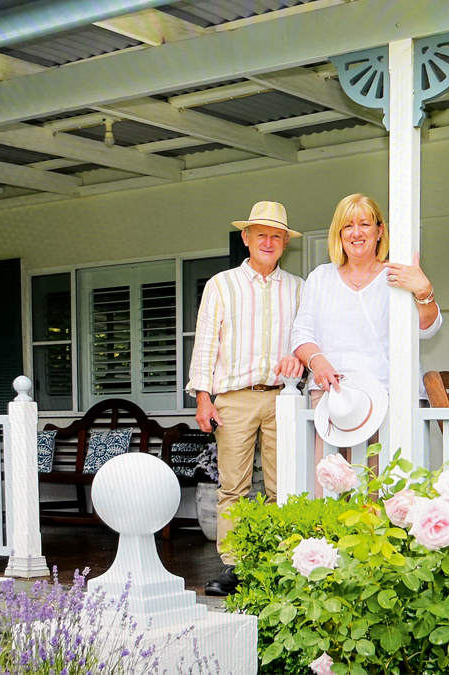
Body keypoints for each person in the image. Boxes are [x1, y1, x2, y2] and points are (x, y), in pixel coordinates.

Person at [187, 200, 304, 597]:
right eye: (261, 234)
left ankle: (278, 562)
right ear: (246, 238)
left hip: (283, 400)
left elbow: (307, 341)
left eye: (276, 235)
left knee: (282, 486)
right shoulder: (221, 285)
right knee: (233, 487)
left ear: (285, 242)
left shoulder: (298, 289)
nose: (268, 241)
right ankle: (235, 566)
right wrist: (204, 398)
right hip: (234, 398)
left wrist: (300, 360)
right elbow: (205, 344)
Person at [290, 194, 442, 468]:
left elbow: (427, 329)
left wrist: (423, 290)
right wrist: (318, 361)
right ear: (339, 233)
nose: (356, 233)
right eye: (348, 226)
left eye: (365, 224)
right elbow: (301, 335)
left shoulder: (396, 275)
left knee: (383, 492)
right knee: (332, 489)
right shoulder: (320, 278)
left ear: (379, 230)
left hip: (387, 396)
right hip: (332, 398)